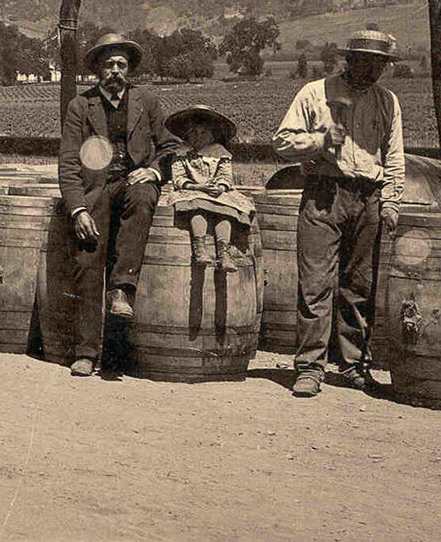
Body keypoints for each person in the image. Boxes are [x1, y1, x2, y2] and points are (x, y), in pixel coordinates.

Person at [272, 29, 404, 397]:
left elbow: (394, 157)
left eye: (381, 63)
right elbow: (281, 142)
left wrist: (391, 201)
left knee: (359, 286)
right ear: (349, 59)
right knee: (315, 284)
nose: (374, 69)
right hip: (323, 194)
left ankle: (352, 367)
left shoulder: (387, 101)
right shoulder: (315, 93)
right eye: (367, 61)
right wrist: (318, 141)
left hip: (368, 198)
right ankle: (310, 368)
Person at [58, 32, 179, 377]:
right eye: (108, 64)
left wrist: (154, 172)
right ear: (97, 69)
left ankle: (121, 294)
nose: (115, 70)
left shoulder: (148, 102)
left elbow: (169, 147)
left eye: (121, 65)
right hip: (95, 190)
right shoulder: (81, 106)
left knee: (142, 197)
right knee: (87, 262)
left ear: (130, 70)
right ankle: (85, 352)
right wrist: (78, 209)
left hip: (133, 184)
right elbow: (68, 162)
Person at [161, 106, 254, 271]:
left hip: (216, 191)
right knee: (197, 208)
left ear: (212, 135)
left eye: (203, 133)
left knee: (227, 210)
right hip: (192, 190)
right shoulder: (182, 152)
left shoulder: (219, 152)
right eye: (194, 133)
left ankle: (224, 252)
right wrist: (198, 187)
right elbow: (179, 177)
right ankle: (200, 247)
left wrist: (220, 187)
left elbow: (225, 175)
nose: (198, 137)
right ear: (186, 135)